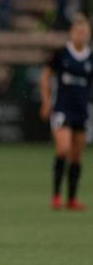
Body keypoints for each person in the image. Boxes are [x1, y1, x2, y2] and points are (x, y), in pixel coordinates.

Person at [39, 12, 91, 211]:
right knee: (63, 149)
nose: (81, 34)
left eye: (85, 31)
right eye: (78, 31)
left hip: (82, 111)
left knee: (77, 156)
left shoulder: (90, 57)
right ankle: (56, 196)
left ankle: (72, 199)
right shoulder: (61, 54)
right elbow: (45, 77)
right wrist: (46, 101)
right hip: (62, 109)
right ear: (71, 33)